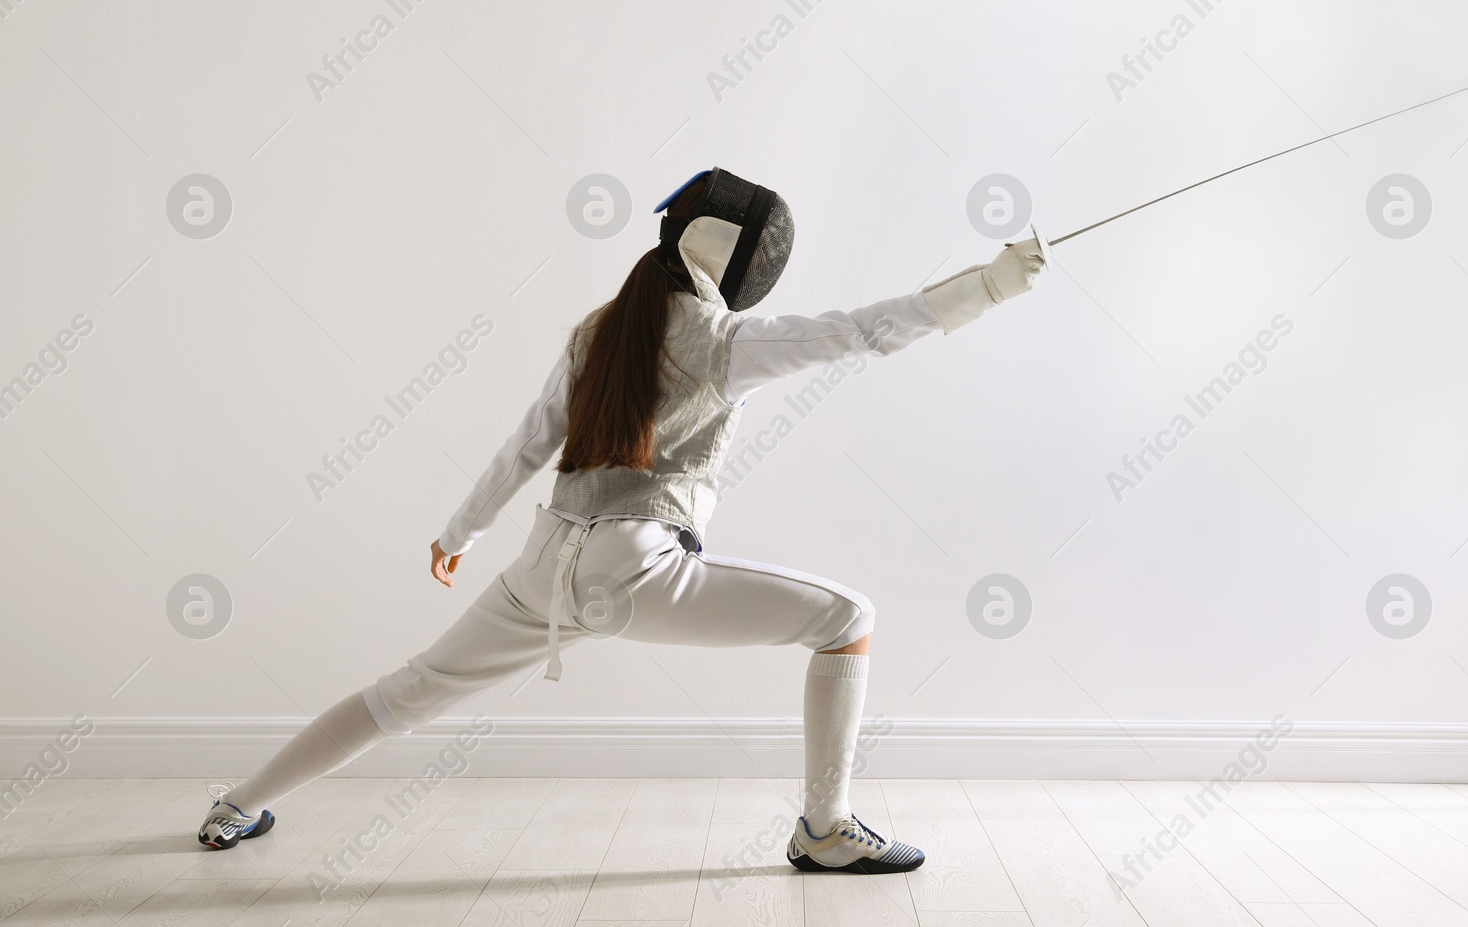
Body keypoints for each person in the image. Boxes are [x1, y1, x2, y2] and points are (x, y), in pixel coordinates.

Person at [196, 167, 1046, 873]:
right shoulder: (724, 343)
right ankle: (824, 828)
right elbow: (858, 332)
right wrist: (993, 285)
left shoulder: (596, 331)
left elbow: (528, 444)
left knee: (409, 689)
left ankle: (238, 805)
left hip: (542, 562)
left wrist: (458, 534)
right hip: (635, 567)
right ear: (742, 257)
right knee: (848, 619)